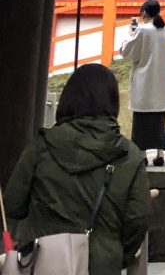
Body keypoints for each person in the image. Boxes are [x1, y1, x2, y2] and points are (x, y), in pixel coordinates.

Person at [6, 63, 150, 274]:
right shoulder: (130, 155)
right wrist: (115, 253)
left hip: (45, 261)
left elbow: (13, 204)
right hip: (102, 264)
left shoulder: (42, 146)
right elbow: (138, 218)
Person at [120, 0, 165, 166]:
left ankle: (142, 155)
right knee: (158, 118)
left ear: (143, 13)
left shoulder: (142, 30)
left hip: (144, 79)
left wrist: (130, 34)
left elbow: (129, 52)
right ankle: (160, 153)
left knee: (141, 120)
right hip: (162, 80)